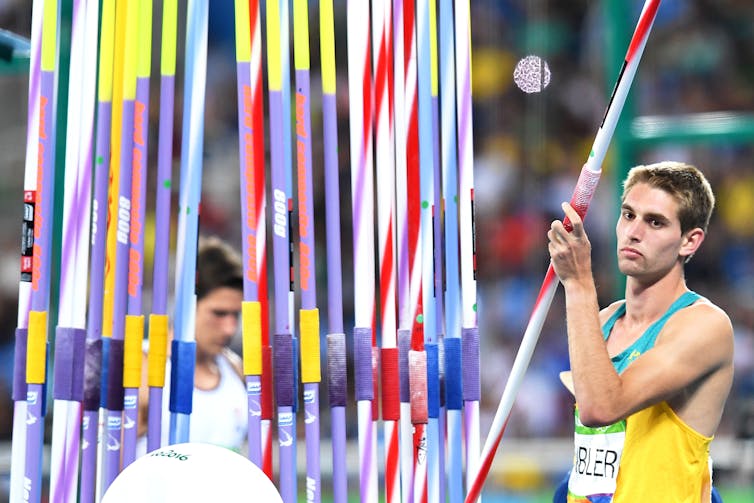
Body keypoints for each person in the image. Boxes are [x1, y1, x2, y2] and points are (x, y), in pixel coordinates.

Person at [547, 161, 734, 502]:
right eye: (629, 214)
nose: (634, 232)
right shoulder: (601, 321)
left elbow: (602, 407)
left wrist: (578, 284)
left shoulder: (705, 325)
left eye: (655, 222)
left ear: (689, 241)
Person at [137, 235, 247, 455]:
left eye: (236, 315)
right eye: (219, 313)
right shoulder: (142, 368)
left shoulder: (237, 369)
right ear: (187, 304)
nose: (230, 328)